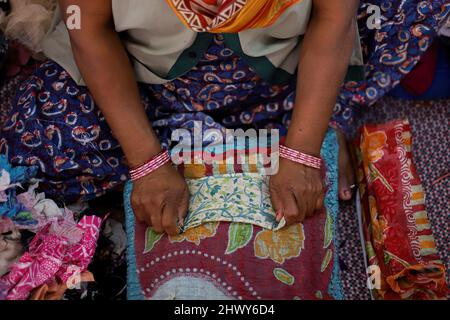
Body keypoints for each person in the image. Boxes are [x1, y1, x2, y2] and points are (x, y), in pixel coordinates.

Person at [1, 0, 362, 235]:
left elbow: (334, 17)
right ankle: (179, 135)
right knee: (37, 134)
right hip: (148, 79)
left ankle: (321, 112)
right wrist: (146, 162)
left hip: (284, 69)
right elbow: (89, 30)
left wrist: (304, 149)